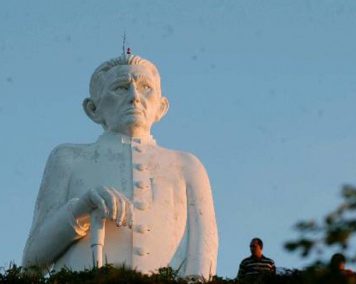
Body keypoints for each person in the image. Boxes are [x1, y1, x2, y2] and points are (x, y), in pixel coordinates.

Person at [22, 54, 218, 278]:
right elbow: (32, 259)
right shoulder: (69, 158)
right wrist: (81, 209)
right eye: (121, 88)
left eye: (146, 88)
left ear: (161, 107)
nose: (135, 97)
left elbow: (204, 251)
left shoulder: (187, 166)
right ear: (93, 109)